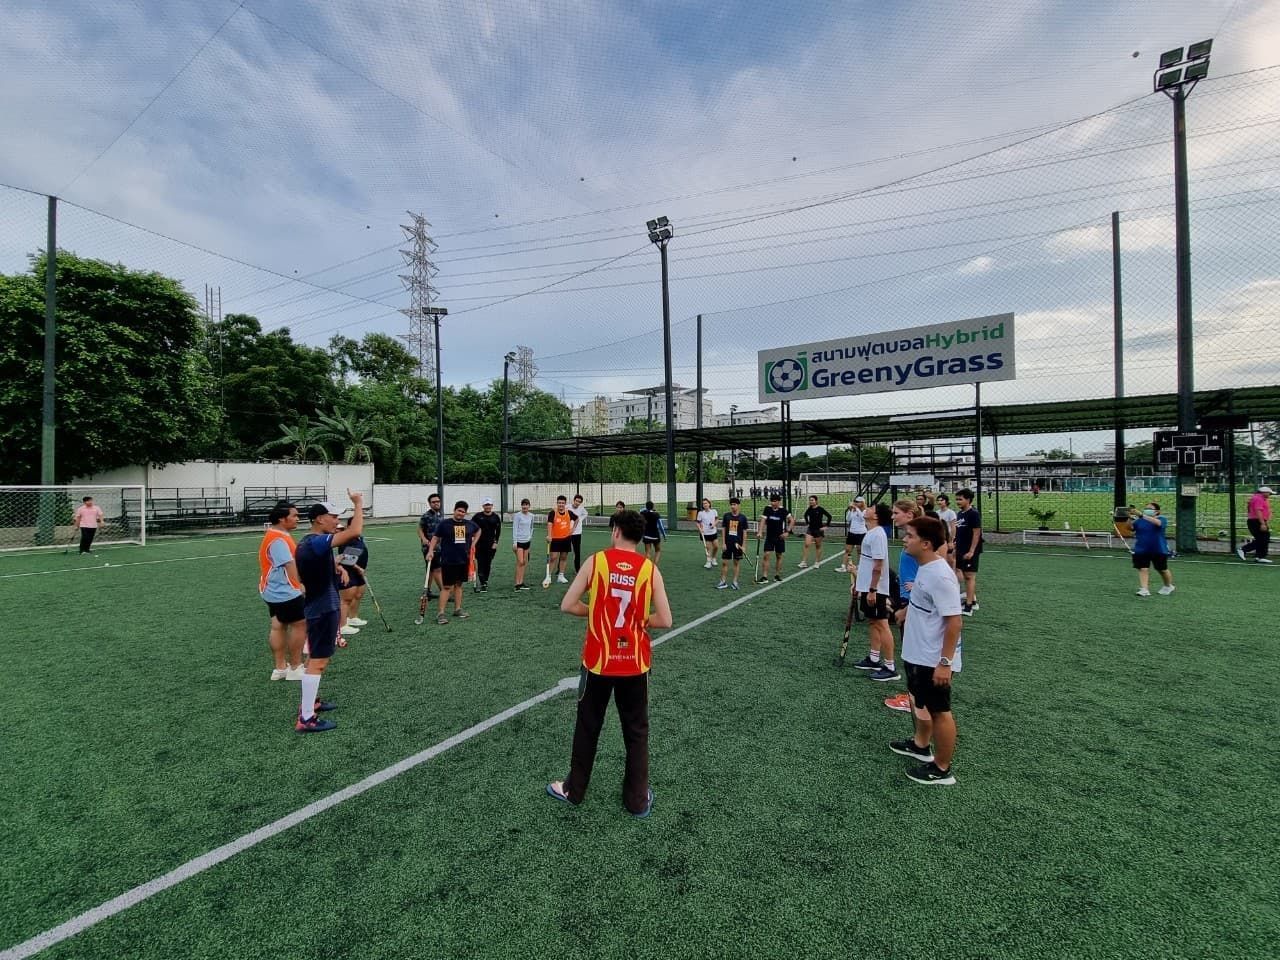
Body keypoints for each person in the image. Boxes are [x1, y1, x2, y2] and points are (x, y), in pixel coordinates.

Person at [546, 509, 673, 817]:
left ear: (615, 531)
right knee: (636, 730)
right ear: (639, 537)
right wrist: (641, 620)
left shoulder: (596, 561)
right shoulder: (649, 569)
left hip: (598, 661)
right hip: (635, 663)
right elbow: (666, 620)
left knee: (588, 726)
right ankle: (637, 800)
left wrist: (594, 611)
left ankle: (574, 790)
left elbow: (567, 605)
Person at [891, 515, 962, 786]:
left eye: (910, 536)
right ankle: (921, 745)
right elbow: (925, 602)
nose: (904, 540)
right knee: (920, 702)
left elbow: (954, 622)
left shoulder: (940, 576)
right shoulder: (926, 567)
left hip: (933, 658)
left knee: (939, 711)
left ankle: (942, 769)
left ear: (926, 543)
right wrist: (905, 611)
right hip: (918, 652)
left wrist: (944, 662)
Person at [294, 491, 364, 733]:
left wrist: (337, 566)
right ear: (318, 519)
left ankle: (311, 703)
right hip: (323, 609)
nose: (337, 521)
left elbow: (314, 563)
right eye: (333, 517)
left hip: (320, 606)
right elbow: (354, 532)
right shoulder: (316, 542)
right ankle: (306, 718)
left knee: (314, 658)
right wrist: (358, 504)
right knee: (318, 662)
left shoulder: (309, 542)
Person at [258, 501, 305, 682]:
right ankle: (295, 667)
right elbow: (289, 564)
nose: (297, 518)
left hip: (272, 590)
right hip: (284, 592)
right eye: (294, 515)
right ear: (281, 518)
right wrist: (300, 585)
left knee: (278, 625)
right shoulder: (277, 539)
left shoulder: (276, 535)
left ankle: (280, 669)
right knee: (300, 624)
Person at [884, 499, 924, 712]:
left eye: (896, 513)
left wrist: (917, 584)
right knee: (909, 651)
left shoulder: (922, 536)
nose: (893, 517)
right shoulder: (911, 536)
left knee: (915, 654)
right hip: (907, 599)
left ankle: (916, 700)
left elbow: (940, 562)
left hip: (915, 602)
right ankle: (913, 695)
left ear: (909, 514)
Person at [851, 503, 898, 682]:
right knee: (873, 622)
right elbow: (867, 564)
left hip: (876, 589)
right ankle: (874, 658)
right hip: (867, 587)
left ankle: (890, 667)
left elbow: (878, 566)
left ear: (876, 516)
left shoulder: (878, 534)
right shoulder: (871, 532)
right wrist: (859, 585)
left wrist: (872, 589)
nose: (867, 509)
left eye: (871, 508)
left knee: (882, 624)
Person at [427, 501, 481, 623]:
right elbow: (435, 538)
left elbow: (479, 530)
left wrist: (473, 543)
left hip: (463, 560)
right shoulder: (444, 524)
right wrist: (430, 551)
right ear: (454, 510)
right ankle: (441, 614)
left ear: (465, 513)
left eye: (463, 512)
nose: (461, 513)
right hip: (448, 561)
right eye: (459, 511)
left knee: (459, 585)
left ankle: (457, 609)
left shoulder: (469, 524)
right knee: (447, 587)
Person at [1130, 502, 1175, 596]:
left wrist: (1141, 515)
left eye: (1150, 509)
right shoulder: (1139, 521)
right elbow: (1130, 528)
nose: (1147, 510)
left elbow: (1158, 523)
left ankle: (1168, 586)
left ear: (1157, 511)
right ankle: (1144, 589)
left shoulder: (1161, 519)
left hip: (1158, 549)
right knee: (1143, 568)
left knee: (1162, 569)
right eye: (1146, 508)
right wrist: (1125, 518)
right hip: (1141, 548)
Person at [336, 523, 368, 639]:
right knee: (346, 599)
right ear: (350, 527)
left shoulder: (359, 538)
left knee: (358, 595)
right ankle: (342, 625)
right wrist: (358, 568)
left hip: (359, 572)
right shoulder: (346, 539)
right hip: (348, 572)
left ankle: (352, 617)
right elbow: (346, 558)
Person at [953, 488, 982, 615]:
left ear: (968, 500)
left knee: (970, 577)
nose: (958, 502)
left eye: (960, 499)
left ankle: (969, 606)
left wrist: (971, 551)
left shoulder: (973, 514)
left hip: (969, 550)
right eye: (957, 499)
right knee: (965, 575)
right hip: (961, 549)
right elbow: (959, 531)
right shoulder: (960, 514)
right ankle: (972, 601)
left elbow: (977, 533)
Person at [757, 493, 793, 582]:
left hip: (780, 537)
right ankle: (764, 577)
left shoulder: (783, 510)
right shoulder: (767, 509)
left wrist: (787, 532)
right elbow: (763, 520)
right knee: (766, 555)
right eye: (772, 501)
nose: (773, 503)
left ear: (779, 502)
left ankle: (777, 575)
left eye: (775, 501)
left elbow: (792, 520)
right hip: (769, 536)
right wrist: (760, 532)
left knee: (779, 556)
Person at [717, 497, 750, 590]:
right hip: (728, 543)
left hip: (738, 545)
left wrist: (743, 546)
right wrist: (723, 543)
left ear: (738, 505)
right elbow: (723, 530)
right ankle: (723, 581)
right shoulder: (726, 516)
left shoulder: (743, 518)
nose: (732, 506)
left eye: (734, 504)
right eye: (731, 505)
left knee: (736, 563)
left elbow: (745, 533)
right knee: (724, 563)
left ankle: (735, 582)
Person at [471, 498, 502, 591]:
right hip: (479, 544)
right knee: (481, 563)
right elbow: (471, 527)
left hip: (491, 545)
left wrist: (496, 542)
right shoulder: (477, 516)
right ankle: (483, 583)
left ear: (492, 506)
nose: (488, 506)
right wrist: (472, 539)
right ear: (483, 506)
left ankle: (485, 581)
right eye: (486, 505)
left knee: (488, 564)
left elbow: (498, 531)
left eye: (489, 505)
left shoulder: (495, 517)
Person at [417, 493, 444, 600]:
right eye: (433, 502)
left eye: (438, 501)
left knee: (431, 570)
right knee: (437, 569)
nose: (436, 503)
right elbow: (419, 529)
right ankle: (444, 592)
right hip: (429, 548)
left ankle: (427, 591)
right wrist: (424, 539)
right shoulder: (426, 516)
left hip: (439, 547)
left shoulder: (440, 515)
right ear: (429, 503)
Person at [1238, 485, 1273, 564]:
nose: (1270, 495)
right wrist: (1262, 523)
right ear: (1263, 492)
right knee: (1263, 539)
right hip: (1256, 521)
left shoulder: (1257, 498)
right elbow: (1258, 511)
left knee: (1263, 538)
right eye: (1269, 493)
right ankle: (1244, 549)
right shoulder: (1258, 499)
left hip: (1256, 520)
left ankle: (1259, 556)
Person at [545, 495, 575, 586]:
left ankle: (561, 576)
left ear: (565, 504)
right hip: (555, 539)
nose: (561, 505)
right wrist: (549, 535)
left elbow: (577, 519)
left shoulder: (569, 512)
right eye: (559, 503)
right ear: (557, 503)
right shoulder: (553, 513)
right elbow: (549, 524)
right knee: (553, 558)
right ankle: (548, 576)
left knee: (564, 557)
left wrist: (572, 529)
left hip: (566, 538)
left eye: (562, 503)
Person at [799, 495, 831, 568]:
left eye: (812, 500)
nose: (811, 501)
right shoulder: (809, 509)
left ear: (816, 501)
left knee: (818, 546)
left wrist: (826, 526)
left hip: (818, 530)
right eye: (810, 500)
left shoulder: (820, 509)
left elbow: (829, 516)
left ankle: (817, 562)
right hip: (810, 529)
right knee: (807, 544)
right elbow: (805, 515)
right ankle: (804, 562)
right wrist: (807, 523)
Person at [838, 495, 867, 574]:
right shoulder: (853, 510)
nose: (855, 503)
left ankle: (860, 566)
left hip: (861, 533)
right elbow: (848, 519)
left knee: (859, 551)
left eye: (857, 502)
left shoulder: (864, 511)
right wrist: (850, 510)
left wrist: (856, 509)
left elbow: (862, 518)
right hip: (852, 533)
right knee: (847, 550)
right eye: (855, 502)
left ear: (862, 503)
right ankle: (843, 566)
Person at [511, 498, 535, 589]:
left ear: (529, 506)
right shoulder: (517, 516)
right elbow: (515, 529)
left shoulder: (531, 516)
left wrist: (530, 537)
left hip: (527, 542)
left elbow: (532, 527)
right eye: (523, 505)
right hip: (519, 542)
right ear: (521, 506)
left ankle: (521, 582)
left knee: (524, 562)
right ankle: (517, 583)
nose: (525, 506)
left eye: (526, 505)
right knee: (520, 562)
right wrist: (515, 542)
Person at [696, 497, 719, 569]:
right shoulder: (700, 513)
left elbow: (717, 519)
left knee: (716, 547)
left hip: (713, 532)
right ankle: (708, 562)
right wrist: (700, 529)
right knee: (708, 548)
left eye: (706, 503)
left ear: (709, 504)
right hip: (705, 534)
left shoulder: (714, 511)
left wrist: (714, 524)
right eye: (703, 504)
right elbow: (698, 523)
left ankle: (713, 558)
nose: (705, 505)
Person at [569, 493, 589, 571]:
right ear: (574, 500)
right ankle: (559, 569)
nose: (577, 503)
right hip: (567, 532)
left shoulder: (581, 509)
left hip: (577, 533)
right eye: (576, 501)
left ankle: (577, 568)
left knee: (577, 552)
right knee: (563, 551)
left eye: (579, 502)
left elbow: (586, 514)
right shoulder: (567, 507)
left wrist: (580, 519)